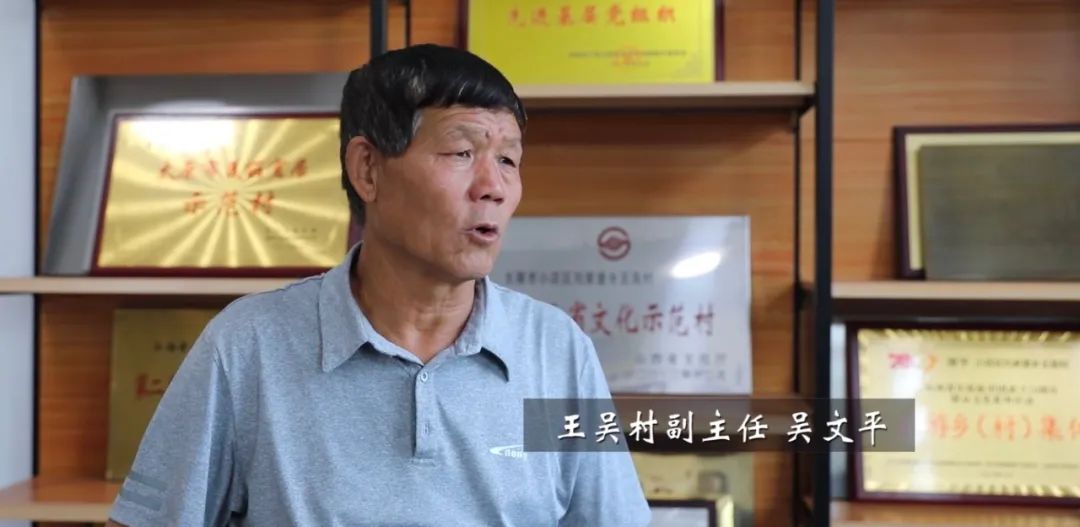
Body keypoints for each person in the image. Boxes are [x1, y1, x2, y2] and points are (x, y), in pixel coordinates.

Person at [106, 43, 651, 526]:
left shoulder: (555, 351)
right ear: (367, 169)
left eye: (508, 159)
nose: (494, 187)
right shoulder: (249, 346)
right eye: (462, 153)